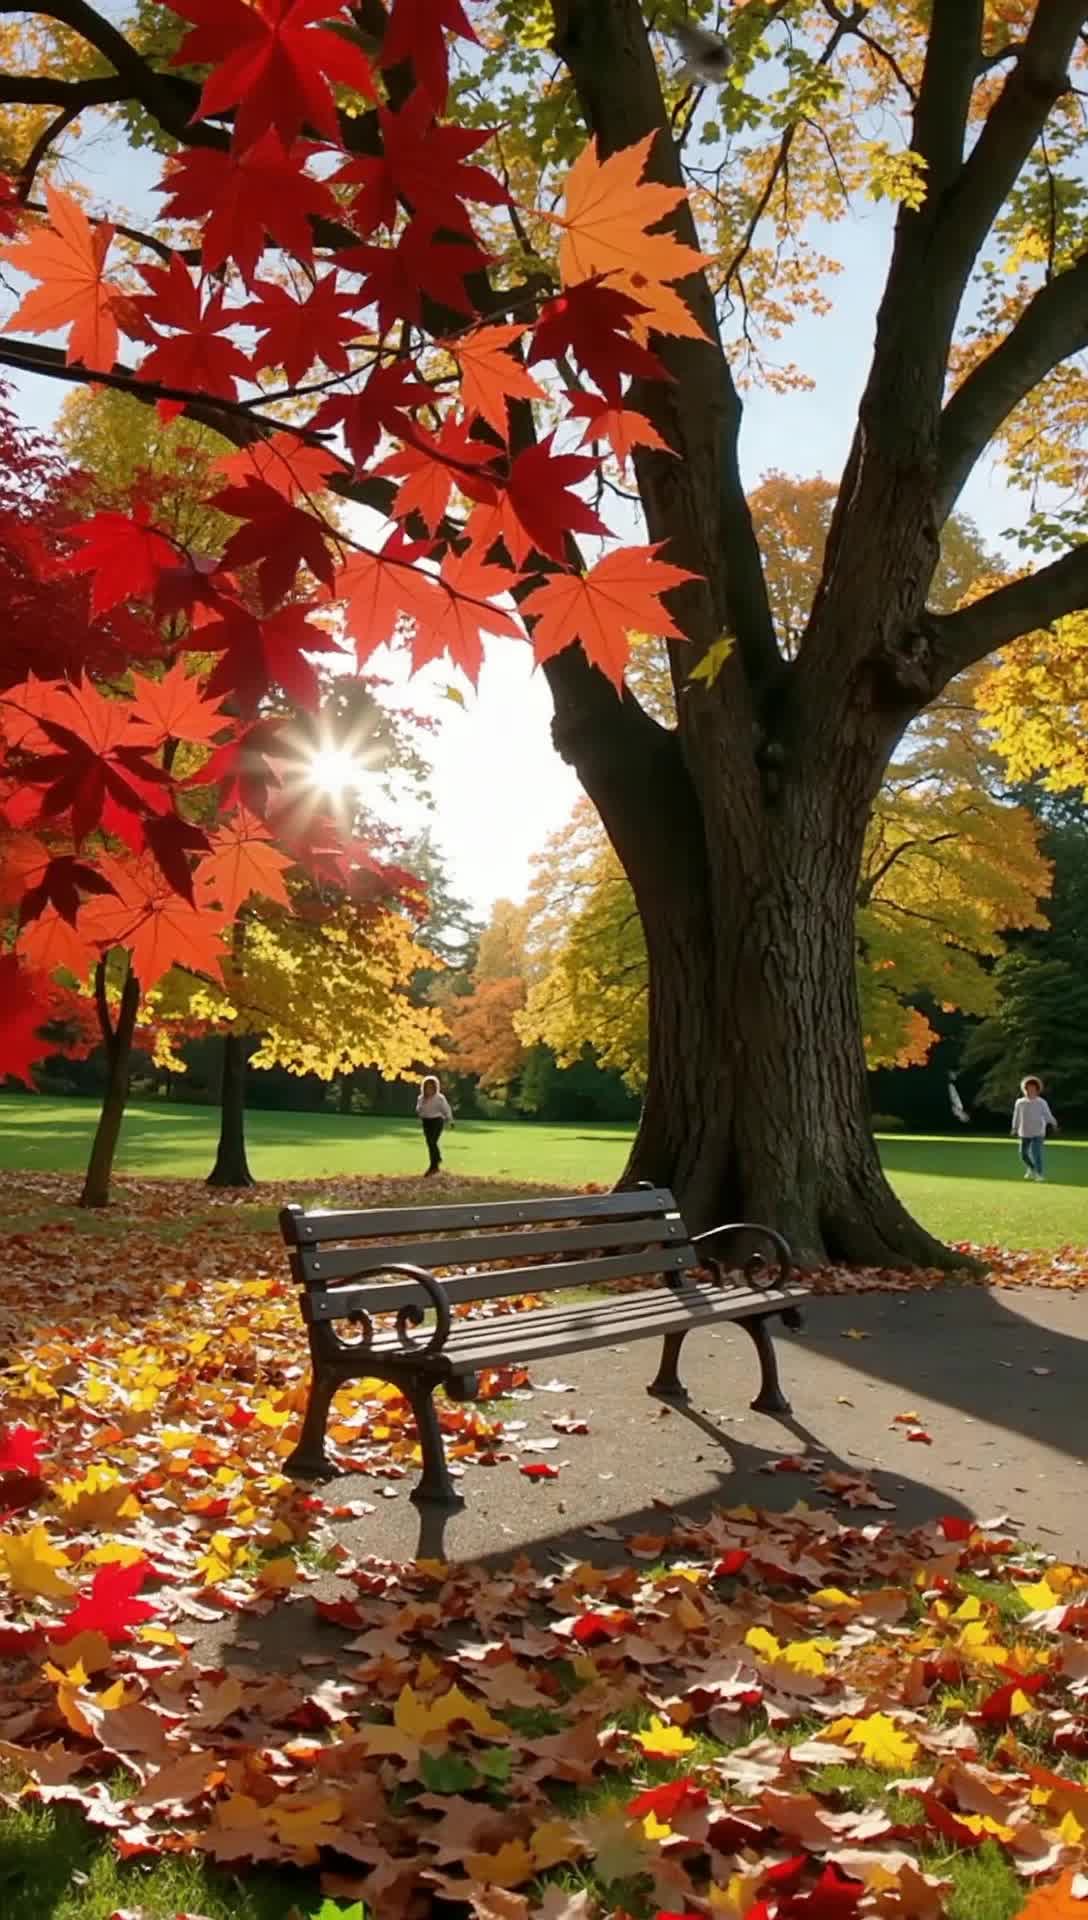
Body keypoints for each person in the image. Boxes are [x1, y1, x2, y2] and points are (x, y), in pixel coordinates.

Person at [1011, 1075, 1057, 1182]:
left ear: (1037, 1090)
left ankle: (1039, 1174)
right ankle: (1032, 1168)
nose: (1030, 1090)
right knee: (1023, 1154)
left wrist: (1054, 1123)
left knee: (1036, 1154)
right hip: (1024, 1132)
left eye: (1033, 1088)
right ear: (1024, 1089)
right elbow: (1016, 1116)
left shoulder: (1041, 1102)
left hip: (1038, 1132)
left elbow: (1047, 1115)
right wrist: (1014, 1127)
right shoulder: (1020, 1102)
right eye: (1028, 1088)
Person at [416, 1074, 453, 1177]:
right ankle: (435, 1163)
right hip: (426, 1122)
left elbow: (446, 1109)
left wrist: (450, 1120)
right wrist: (421, 1109)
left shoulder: (439, 1098)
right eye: (427, 1087)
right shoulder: (421, 1098)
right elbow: (419, 1110)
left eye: (431, 1087)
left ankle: (434, 1164)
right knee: (430, 1143)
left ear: (435, 1088)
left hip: (437, 1121)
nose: (429, 1089)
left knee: (432, 1141)